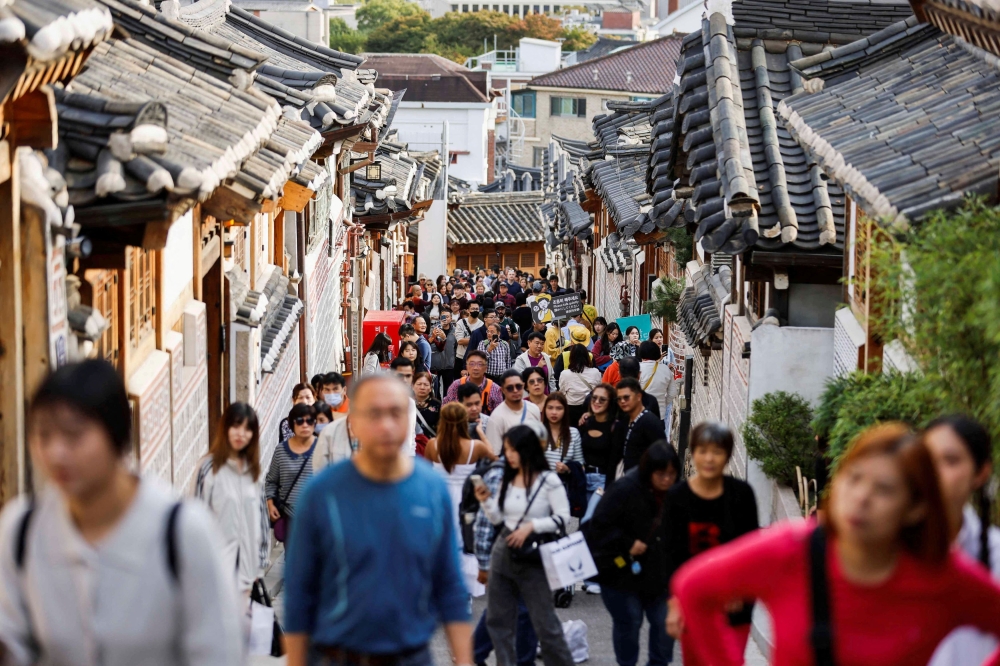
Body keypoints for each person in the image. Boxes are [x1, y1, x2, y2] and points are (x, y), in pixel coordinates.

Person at [670, 423, 1000, 666]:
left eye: (884, 489)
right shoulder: (790, 550)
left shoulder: (939, 577)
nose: (861, 498)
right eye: (853, 478)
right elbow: (693, 587)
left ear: (915, 508)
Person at [0, 360, 243, 666]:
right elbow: (14, 640)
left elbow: (218, 652)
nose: (55, 453)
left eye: (74, 435)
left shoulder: (182, 532)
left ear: (117, 434)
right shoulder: (22, 530)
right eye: (43, 435)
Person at [284, 373, 473, 666]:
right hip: (337, 655)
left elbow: (449, 584)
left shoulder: (431, 491)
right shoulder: (321, 494)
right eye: (374, 413)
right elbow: (299, 593)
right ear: (353, 421)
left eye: (395, 413)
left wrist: (464, 659)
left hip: (411, 656)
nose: (386, 425)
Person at [475, 426, 576, 666]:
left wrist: (532, 527)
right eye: (506, 449)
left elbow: (563, 517)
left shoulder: (548, 480)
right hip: (504, 550)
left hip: (534, 554)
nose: (508, 455)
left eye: (513, 449)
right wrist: (486, 500)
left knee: (545, 623)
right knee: (497, 622)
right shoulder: (508, 477)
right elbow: (500, 518)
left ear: (527, 449)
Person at [662, 422, 758, 663]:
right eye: (702, 451)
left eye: (717, 451)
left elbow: (750, 550)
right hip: (694, 601)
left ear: (727, 455)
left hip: (734, 604)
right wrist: (674, 604)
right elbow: (669, 555)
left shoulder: (741, 495)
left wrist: (740, 589)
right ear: (692, 453)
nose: (709, 458)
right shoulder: (677, 498)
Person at [588, 443, 681, 666]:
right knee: (630, 620)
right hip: (620, 570)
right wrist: (627, 543)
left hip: (658, 574)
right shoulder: (625, 489)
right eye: (661, 474)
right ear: (649, 471)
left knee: (662, 623)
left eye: (671, 474)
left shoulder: (676, 493)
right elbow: (598, 527)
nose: (667, 480)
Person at [926, 416, 1000, 666]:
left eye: (951, 460)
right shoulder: (885, 548)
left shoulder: (996, 553)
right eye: (926, 460)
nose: (934, 471)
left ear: (981, 472)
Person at [195, 402, 270, 597]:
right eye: (236, 426)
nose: (241, 434)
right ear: (225, 428)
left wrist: (259, 565)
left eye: (247, 429)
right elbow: (194, 516)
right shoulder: (208, 468)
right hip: (214, 571)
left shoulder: (253, 471)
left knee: (242, 626)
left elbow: (261, 520)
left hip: (246, 574)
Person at [424, 403, 497, 598]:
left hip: (441, 498)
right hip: (467, 499)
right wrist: (480, 432)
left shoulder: (433, 445)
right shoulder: (475, 446)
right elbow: (495, 459)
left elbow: (425, 472)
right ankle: (466, 589)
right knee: (467, 542)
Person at [266, 402, 318, 533]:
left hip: (318, 516)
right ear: (292, 424)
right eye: (299, 421)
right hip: (290, 516)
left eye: (309, 421)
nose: (305, 425)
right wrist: (270, 504)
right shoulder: (281, 451)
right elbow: (271, 481)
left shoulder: (323, 447)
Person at [610, 379, 666, 481]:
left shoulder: (650, 422)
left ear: (639, 396)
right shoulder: (625, 420)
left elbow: (662, 456)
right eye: (619, 399)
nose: (622, 401)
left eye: (626, 397)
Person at [580, 383, 618, 522]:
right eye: (594, 398)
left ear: (610, 403)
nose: (596, 402)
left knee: (588, 521)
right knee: (584, 520)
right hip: (584, 480)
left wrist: (608, 488)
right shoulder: (586, 422)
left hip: (603, 480)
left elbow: (615, 461)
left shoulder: (615, 426)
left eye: (602, 399)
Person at [486, 369, 542, 455]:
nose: (515, 390)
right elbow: (494, 454)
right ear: (503, 390)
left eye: (518, 386)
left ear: (523, 386)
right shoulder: (496, 418)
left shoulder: (534, 409)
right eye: (510, 388)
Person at [638, 341, 679, 441]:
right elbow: (673, 392)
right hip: (659, 414)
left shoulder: (637, 368)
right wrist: (664, 402)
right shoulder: (665, 369)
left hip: (639, 413)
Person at [559, 344, 603, 426]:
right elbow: (598, 391)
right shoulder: (595, 372)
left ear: (571, 357)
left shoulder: (565, 374)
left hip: (571, 410)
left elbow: (562, 393)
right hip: (590, 408)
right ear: (587, 356)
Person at [541, 392, 583, 472]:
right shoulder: (537, 432)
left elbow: (580, 465)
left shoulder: (574, 433)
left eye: (559, 408)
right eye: (550, 408)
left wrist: (567, 469)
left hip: (564, 483)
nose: (554, 412)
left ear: (565, 410)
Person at [458, 382, 492, 449]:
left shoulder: (490, 423)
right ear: (460, 405)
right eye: (469, 405)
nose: (474, 408)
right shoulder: (452, 425)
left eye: (477, 403)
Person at [454, 302, 484, 375]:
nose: (475, 311)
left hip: (475, 358)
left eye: (477, 309)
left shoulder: (482, 325)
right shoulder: (460, 323)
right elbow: (460, 341)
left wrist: (468, 340)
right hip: (460, 356)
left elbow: (482, 343)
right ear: (468, 310)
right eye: (473, 309)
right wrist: (475, 340)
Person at [413, 371, 441, 435]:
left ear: (430, 388)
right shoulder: (407, 404)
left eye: (426, 385)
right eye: (419, 384)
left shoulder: (437, 405)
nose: (422, 387)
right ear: (413, 386)